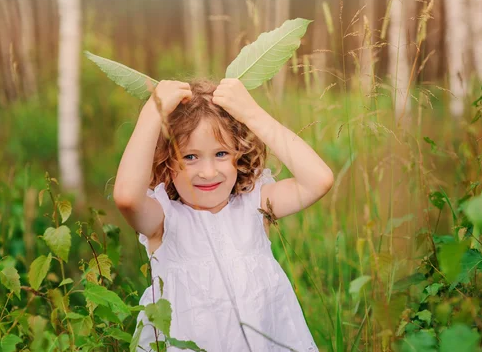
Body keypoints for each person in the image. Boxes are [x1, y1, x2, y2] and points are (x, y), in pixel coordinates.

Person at [114, 78, 333, 351]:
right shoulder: (164, 221)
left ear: (238, 155)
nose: (208, 172)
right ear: (166, 161)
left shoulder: (256, 204)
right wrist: (152, 113)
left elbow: (319, 180)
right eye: (190, 157)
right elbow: (126, 198)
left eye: (220, 153)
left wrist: (251, 113)